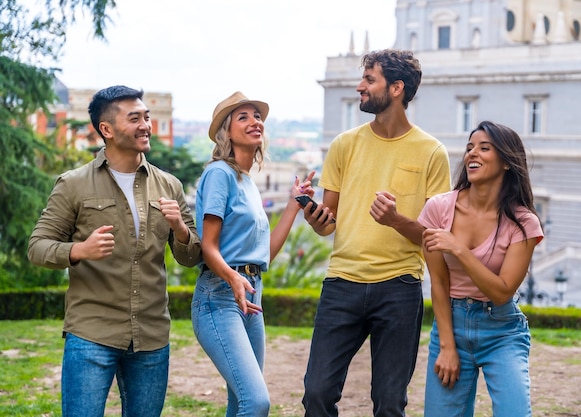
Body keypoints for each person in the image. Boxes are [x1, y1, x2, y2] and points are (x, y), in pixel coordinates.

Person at [27, 85, 202, 417]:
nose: (146, 125)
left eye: (147, 117)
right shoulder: (73, 184)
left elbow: (191, 256)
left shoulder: (169, 185)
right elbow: (37, 247)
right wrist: (79, 249)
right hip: (91, 332)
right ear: (106, 129)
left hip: (151, 335)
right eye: (134, 118)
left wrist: (180, 228)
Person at [300, 49, 451, 417]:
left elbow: (437, 237)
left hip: (399, 287)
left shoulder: (432, 152)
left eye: (369, 79)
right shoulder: (344, 145)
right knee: (317, 393)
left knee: (389, 403)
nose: (359, 87)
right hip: (342, 283)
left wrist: (397, 220)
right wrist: (317, 219)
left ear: (396, 88)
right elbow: (329, 220)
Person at [191, 91, 315, 417]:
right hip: (220, 296)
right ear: (226, 133)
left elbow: (264, 257)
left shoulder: (246, 182)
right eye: (243, 117)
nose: (254, 121)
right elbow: (208, 246)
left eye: (257, 116)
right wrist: (232, 277)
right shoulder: (219, 173)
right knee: (256, 402)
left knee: (241, 401)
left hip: (251, 295)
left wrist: (294, 203)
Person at [418, 121, 543, 417]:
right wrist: (448, 347)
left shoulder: (524, 223)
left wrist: (459, 249)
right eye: (470, 147)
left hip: (502, 330)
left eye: (484, 148)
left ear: (507, 162)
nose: (473, 153)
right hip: (452, 325)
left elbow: (502, 292)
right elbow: (438, 282)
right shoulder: (438, 209)